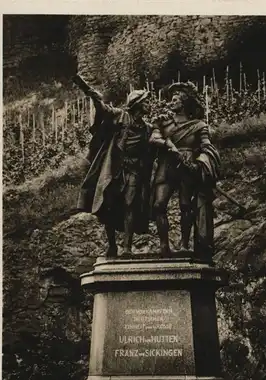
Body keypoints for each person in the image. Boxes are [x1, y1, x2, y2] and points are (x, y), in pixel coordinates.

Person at [74, 74, 153, 258]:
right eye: (146, 102)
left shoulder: (147, 128)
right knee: (107, 203)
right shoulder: (121, 116)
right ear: (138, 104)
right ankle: (112, 246)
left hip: (134, 169)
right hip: (115, 168)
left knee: (130, 204)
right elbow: (104, 109)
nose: (149, 105)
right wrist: (94, 96)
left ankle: (127, 246)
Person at [149, 82, 221, 260]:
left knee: (186, 205)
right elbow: (154, 137)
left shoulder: (198, 126)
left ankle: (184, 244)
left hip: (187, 166)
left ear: (184, 102)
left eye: (175, 100)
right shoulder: (163, 121)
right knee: (159, 204)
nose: (170, 103)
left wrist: (201, 163)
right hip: (167, 164)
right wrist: (167, 144)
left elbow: (207, 147)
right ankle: (164, 245)